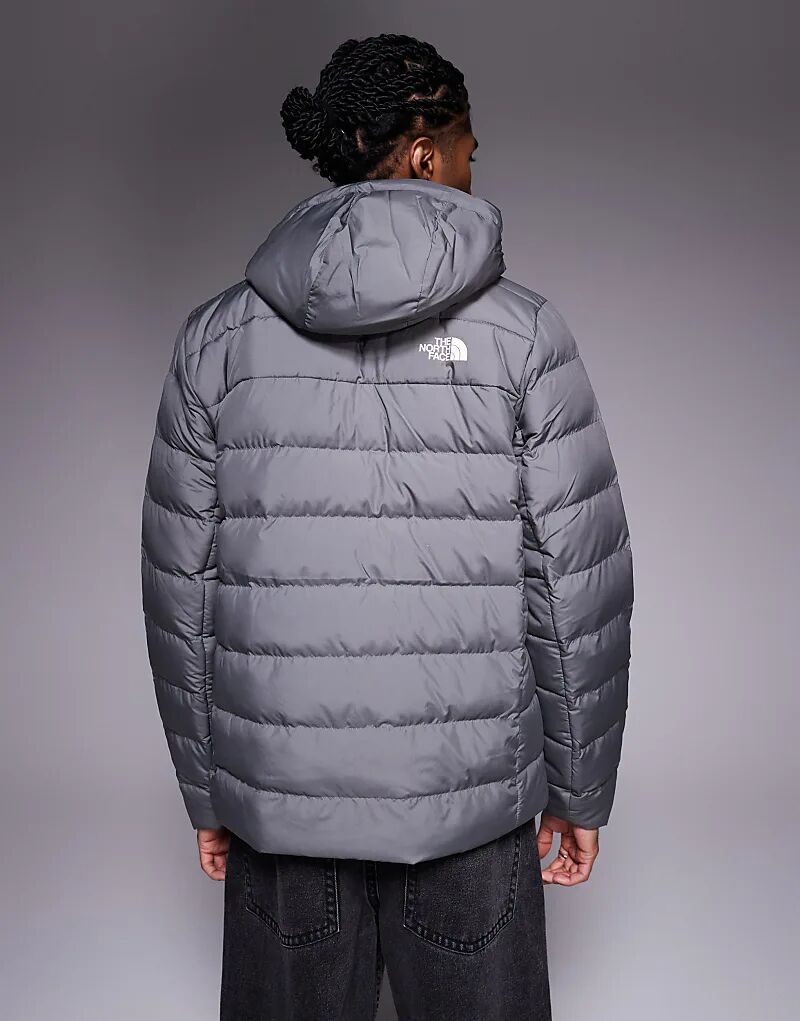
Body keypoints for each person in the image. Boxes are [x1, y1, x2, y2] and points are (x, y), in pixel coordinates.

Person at [140, 33, 634, 1021]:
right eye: (466, 151)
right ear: (420, 152)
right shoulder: (524, 336)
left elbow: (179, 587)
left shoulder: (215, 339)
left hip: (283, 808)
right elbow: (573, 583)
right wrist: (581, 788)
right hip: (469, 807)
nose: (471, 170)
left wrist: (208, 788)